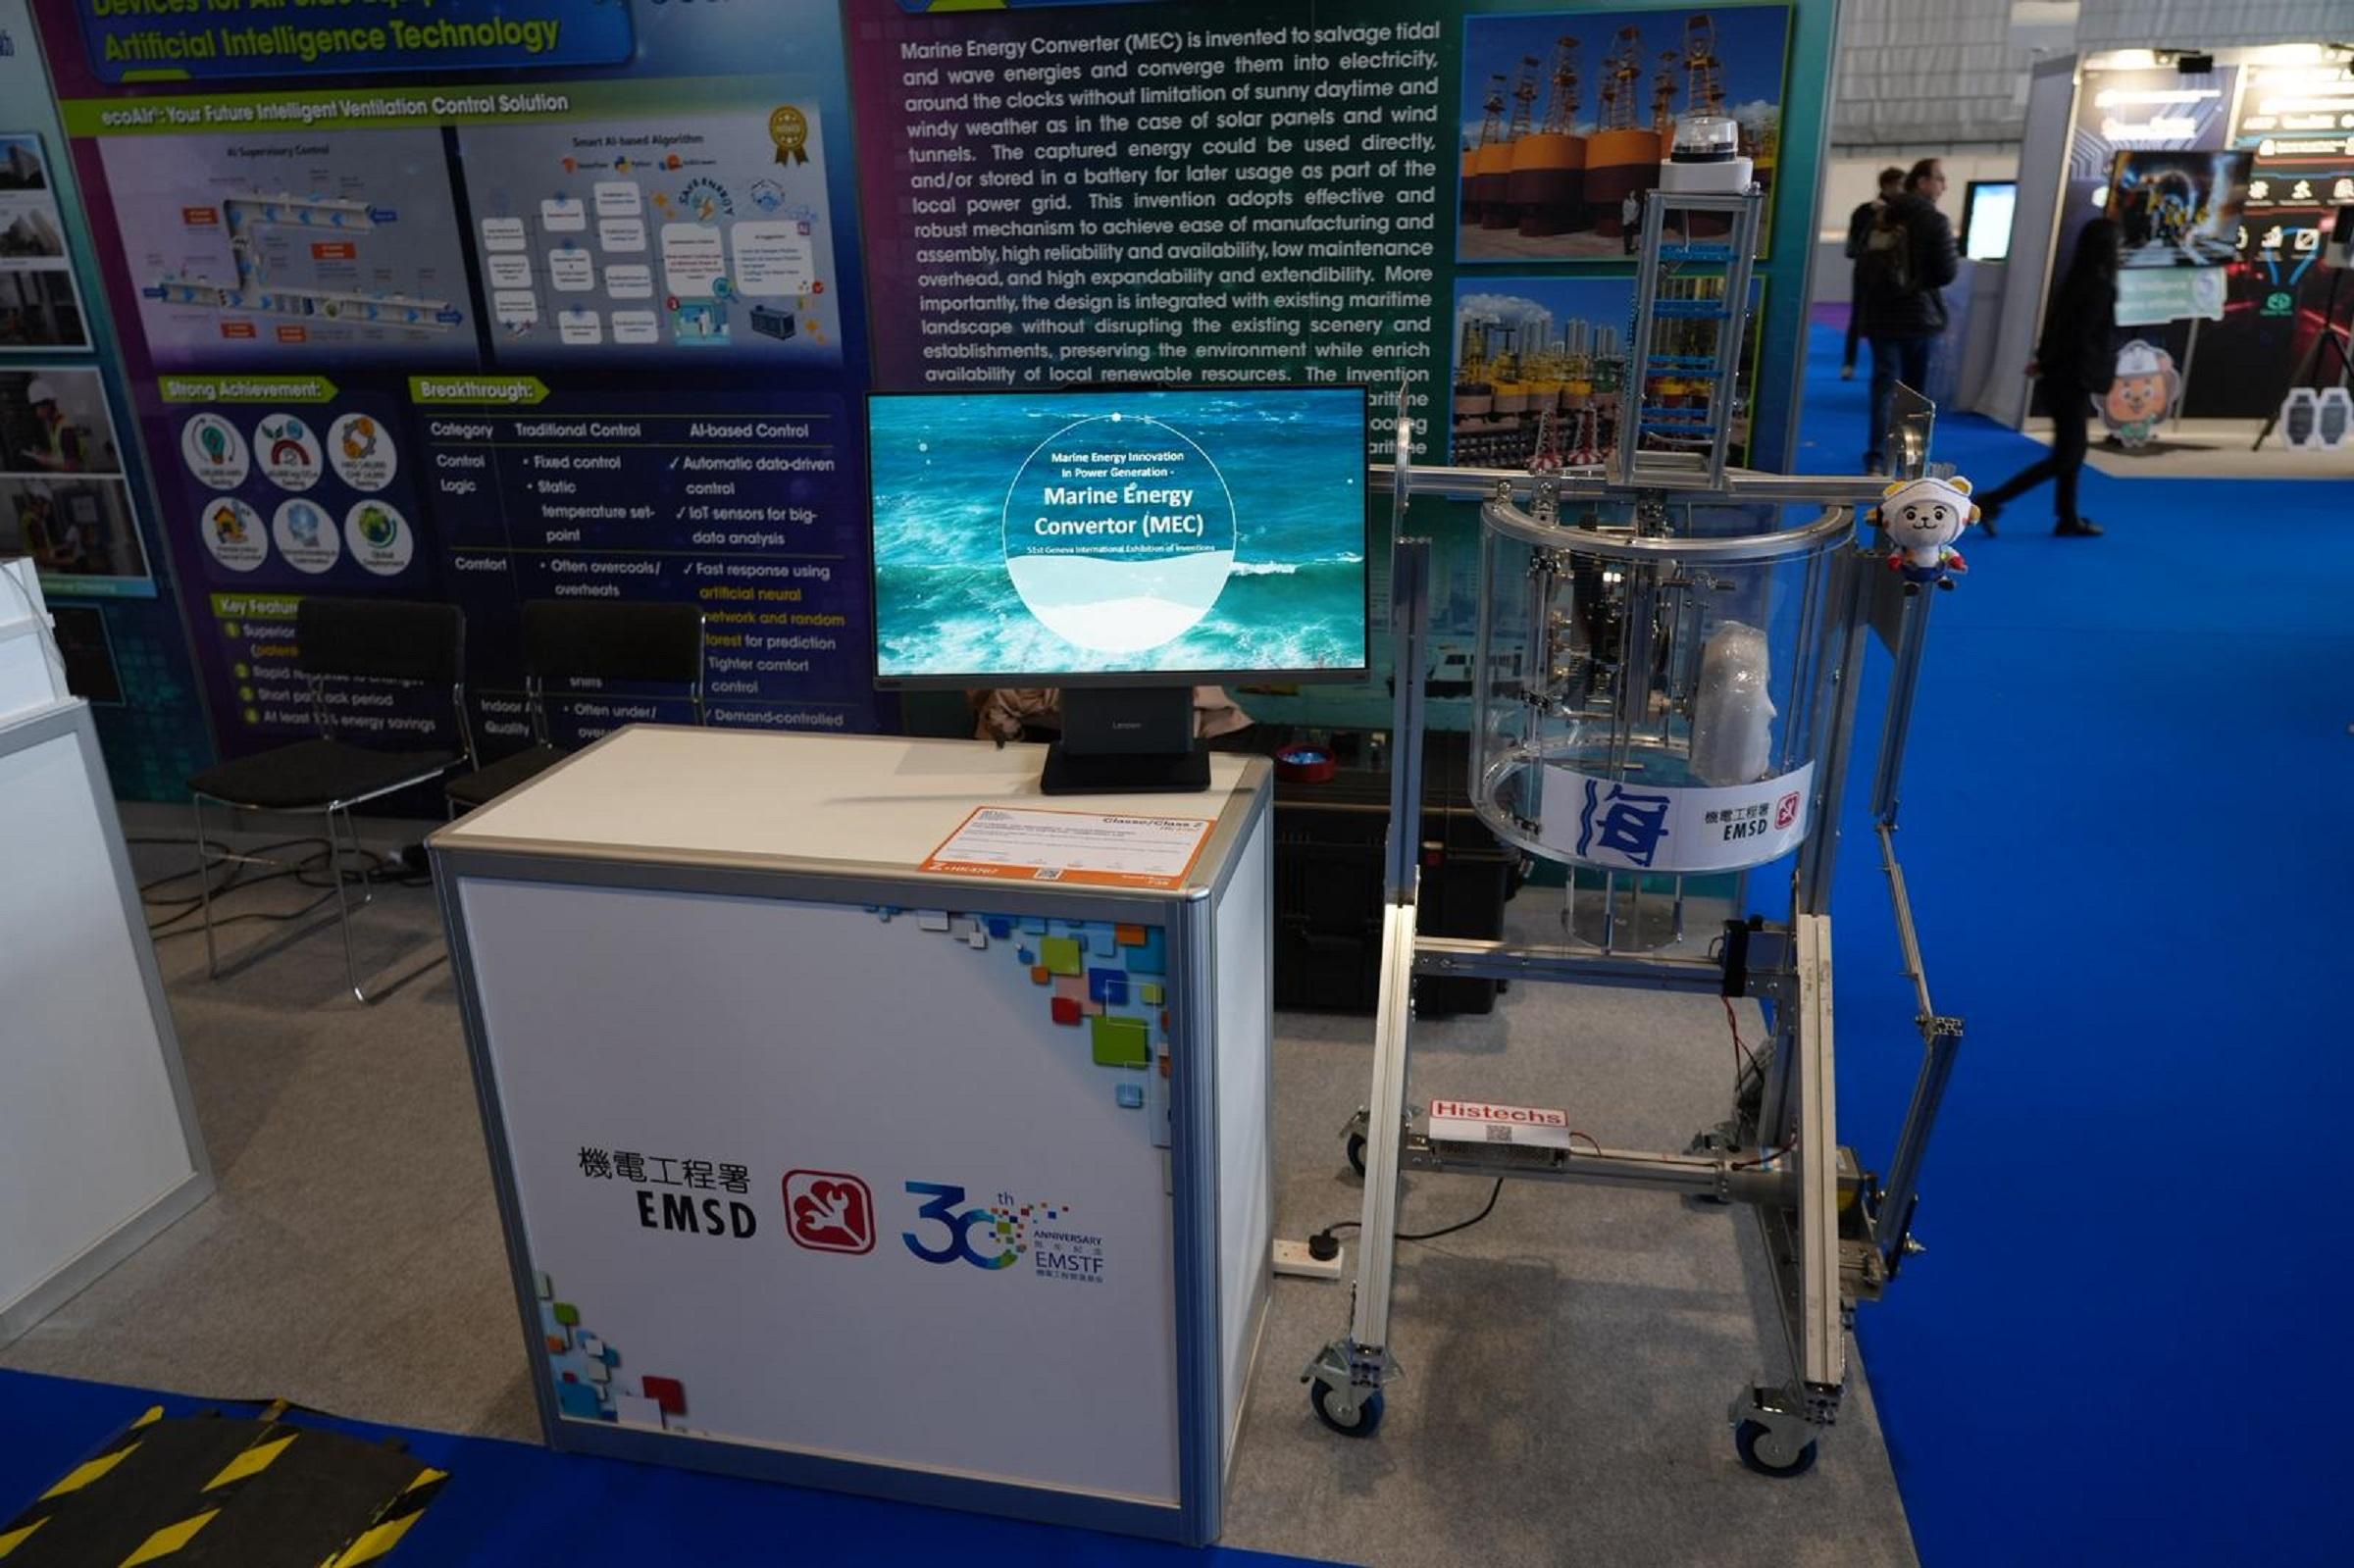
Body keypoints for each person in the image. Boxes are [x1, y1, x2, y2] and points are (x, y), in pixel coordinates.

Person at [1973, 219, 2120, 538]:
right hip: (2073, 377)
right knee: (2068, 456)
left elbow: (2061, 329)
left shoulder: (2075, 281)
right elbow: (2083, 337)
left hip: (2060, 376)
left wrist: (2044, 362)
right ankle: (1991, 501)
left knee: (2071, 453)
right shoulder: (2100, 287)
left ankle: (2067, 517)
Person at [1856, 158, 1958, 475]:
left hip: (1881, 315)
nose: (1944, 186)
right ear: (1923, 182)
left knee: (1884, 387)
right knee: (1915, 393)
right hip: (1919, 316)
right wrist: (1917, 284)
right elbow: (1947, 272)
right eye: (1940, 179)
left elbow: (1861, 260)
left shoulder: (1882, 215)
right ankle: (1909, 459)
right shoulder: (1935, 220)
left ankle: (1876, 457)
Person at [1841, 167, 1906, 379]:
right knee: (1858, 315)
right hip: (1868, 270)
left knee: (1893, 320)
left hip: (1895, 273)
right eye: (1900, 185)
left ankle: (1892, 367)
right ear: (1887, 185)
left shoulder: (1906, 211)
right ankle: (1849, 363)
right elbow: (1856, 242)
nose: (1902, 189)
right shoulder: (1865, 211)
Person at [18, 377, 90, 473]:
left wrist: (47, 462)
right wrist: (45, 454)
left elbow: (72, 468)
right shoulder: (56, 426)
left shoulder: (65, 430)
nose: (37, 413)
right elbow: (61, 456)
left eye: (38, 408)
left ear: (48, 406)